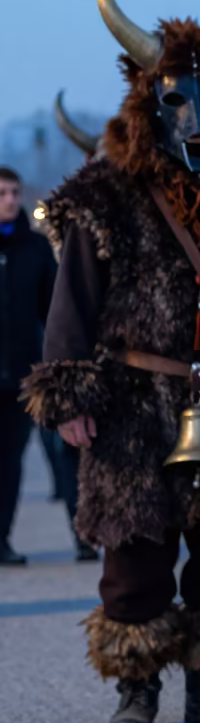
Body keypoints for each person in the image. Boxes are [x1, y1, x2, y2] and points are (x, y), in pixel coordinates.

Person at [24, 0, 200, 723]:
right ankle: (135, 689)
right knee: (134, 548)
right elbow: (72, 300)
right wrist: (68, 395)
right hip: (133, 400)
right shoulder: (102, 197)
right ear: (148, 107)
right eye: (176, 101)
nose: (194, 119)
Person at [0, 167, 57, 565]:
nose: (9, 199)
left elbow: (53, 312)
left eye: (14, 192)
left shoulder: (36, 249)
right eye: (2, 193)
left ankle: (1, 539)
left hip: (19, 379)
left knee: (9, 464)